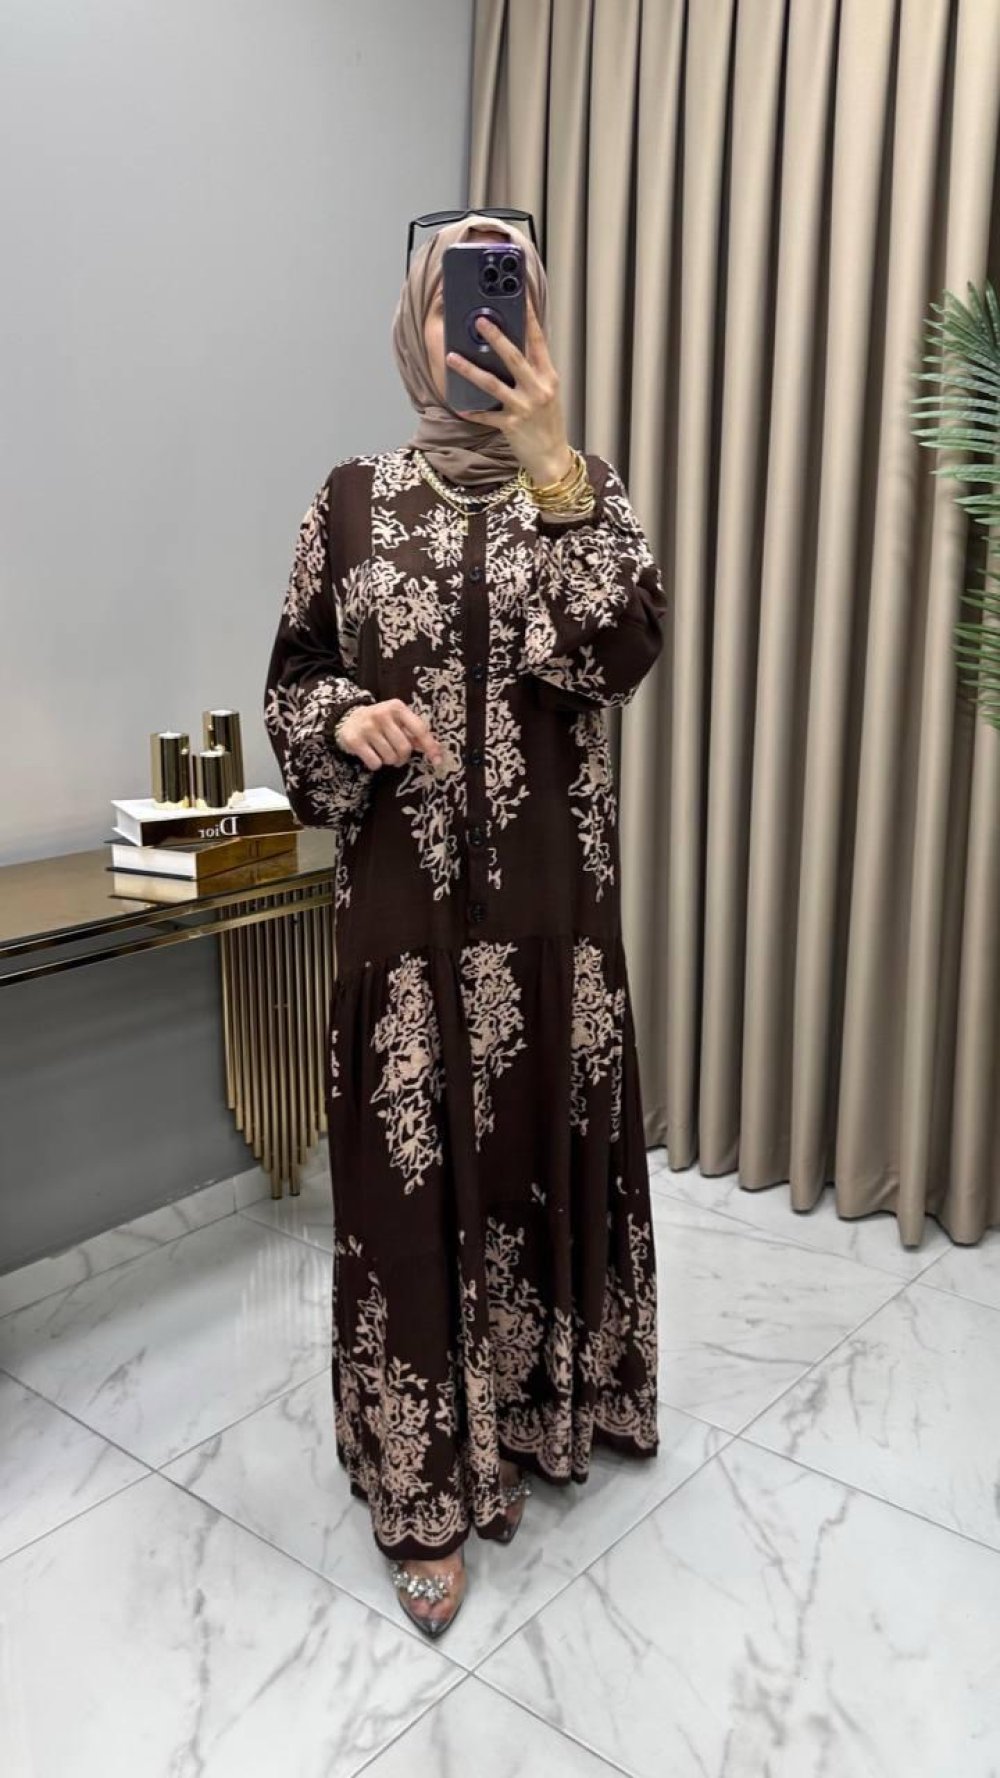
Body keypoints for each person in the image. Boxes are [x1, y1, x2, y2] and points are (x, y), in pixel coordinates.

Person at [264, 212, 667, 1638]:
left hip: (555, 921)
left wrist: (557, 465)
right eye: (457, 300)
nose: (479, 327)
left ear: (536, 318)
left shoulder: (589, 491)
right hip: (404, 919)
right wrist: (342, 720)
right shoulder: (349, 501)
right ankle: (422, 1483)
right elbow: (292, 679)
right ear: (416, 322)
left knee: (546, 1152)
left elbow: (623, 650)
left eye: (505, 298)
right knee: (405, 1185)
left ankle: (562, 1408)